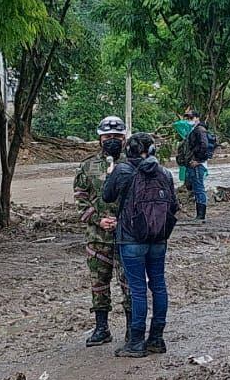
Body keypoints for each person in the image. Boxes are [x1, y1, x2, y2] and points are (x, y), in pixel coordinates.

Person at [102, 132, 179, 358]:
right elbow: (174, 204)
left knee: (137, 290)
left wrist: (110, 174)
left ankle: (136, 342)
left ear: (129, 150)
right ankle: (156, 338)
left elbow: (107, 196)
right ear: (152, 150)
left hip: (131, 239)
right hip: (158, 238)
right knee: (159, 285)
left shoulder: (122, 170)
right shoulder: (164, 172)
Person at [73, 116, 132, 347]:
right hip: (97, 238)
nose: (113, 141)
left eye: (117, 137)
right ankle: (101, 328)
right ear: (99, 138)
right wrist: (98, 220)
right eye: (108, 137)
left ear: (124, 138)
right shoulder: (87, 166)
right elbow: (80, 199)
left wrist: (123, 221)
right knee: (99, 283)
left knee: (129, 284)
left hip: (128, 236)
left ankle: (132, 329)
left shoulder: (133, 164)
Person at [174, 109, 214, 222]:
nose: (189, 120)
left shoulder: (200, 130)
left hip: (197, 164)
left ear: (197, 118)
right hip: (192, 164)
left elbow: (204, 146)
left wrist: (199, 160)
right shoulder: (192, 130)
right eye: (187, 118)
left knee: (199, 188)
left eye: (191, 118)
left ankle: (201, 216)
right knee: (195, 187)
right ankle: (199, 214)